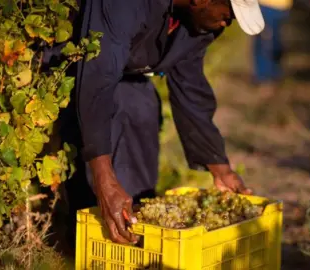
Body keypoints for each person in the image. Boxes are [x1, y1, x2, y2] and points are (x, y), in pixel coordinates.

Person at [56, 0, 266, 245]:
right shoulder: (126, 5)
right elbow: (98, 77)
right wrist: (105, 179)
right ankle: (86, 240)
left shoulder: (197, 25)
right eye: (228, 15)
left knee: (141, 106)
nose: (226, 23)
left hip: (126, 76)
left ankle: (138, 240)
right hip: (75, 72)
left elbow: (191, 89)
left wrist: (220, 167)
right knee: (95, 169)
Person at [252, 0, 292, 93]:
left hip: (283, 8)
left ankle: (275, 73)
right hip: (265, 6)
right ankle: (263, 78)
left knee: (276, 42)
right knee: (265, 41)